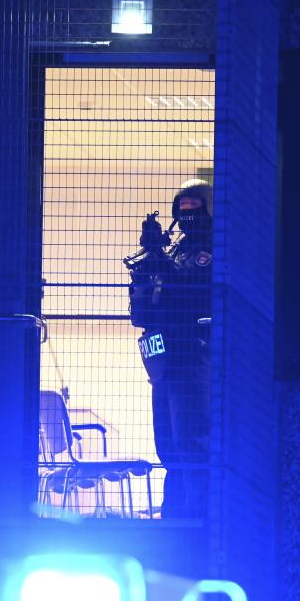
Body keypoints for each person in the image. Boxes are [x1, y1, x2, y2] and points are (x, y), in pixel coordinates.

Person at [125, 179, 212, 518]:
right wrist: (150, 259)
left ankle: (195, 516)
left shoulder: (210, 251)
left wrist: (159, 259)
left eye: (195, 207)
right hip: (163, 360)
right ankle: (173, 513)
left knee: (191, 439)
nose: (187, 214)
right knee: (168, 443)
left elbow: (190, 288)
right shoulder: (175, 248)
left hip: (191, 355)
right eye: (182, 208)